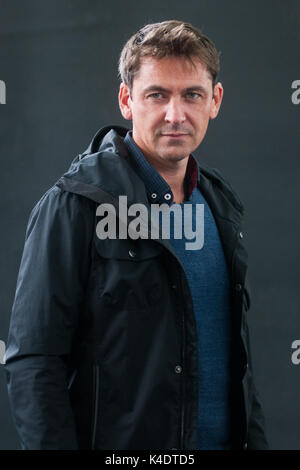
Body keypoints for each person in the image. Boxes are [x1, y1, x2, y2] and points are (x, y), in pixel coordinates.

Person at [4, 20, 269, 450]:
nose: (175, 114)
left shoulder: (220, 205)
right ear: (127, 100)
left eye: (192, 95)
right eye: (157, 95)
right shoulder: (76, 204)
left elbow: (238, 366)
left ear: (215, 101)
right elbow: (35, 362)